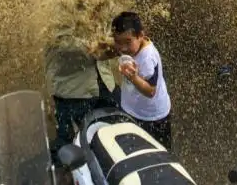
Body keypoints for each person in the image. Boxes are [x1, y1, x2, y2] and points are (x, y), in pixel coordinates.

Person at [44, 24, 118, 146]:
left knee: (111, 136)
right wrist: (105, 46)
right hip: (74, 94)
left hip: (105, 85)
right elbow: (61, 45)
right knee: (71, 145)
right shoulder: (55, 15)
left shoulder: (97, 9)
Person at [112, 11, 172, 150]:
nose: (123, 48)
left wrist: (132, 77)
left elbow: (151, 91)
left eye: (128, 42)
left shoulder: (147, 58)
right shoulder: (130, 48)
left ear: (141, 36)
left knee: (159, 150)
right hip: (132, 108)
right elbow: (116, 49)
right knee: (135, 147)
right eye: (117, 42)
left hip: (152, 116)